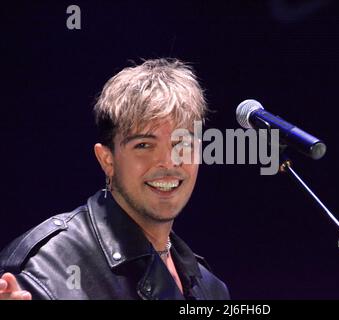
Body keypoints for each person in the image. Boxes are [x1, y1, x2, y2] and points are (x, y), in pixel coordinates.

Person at [0, 58, 230, 300]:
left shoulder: (210, 288)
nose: (169, 162)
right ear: (107, 160)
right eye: (144, 145)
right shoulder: (48, 267)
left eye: (182, 144)